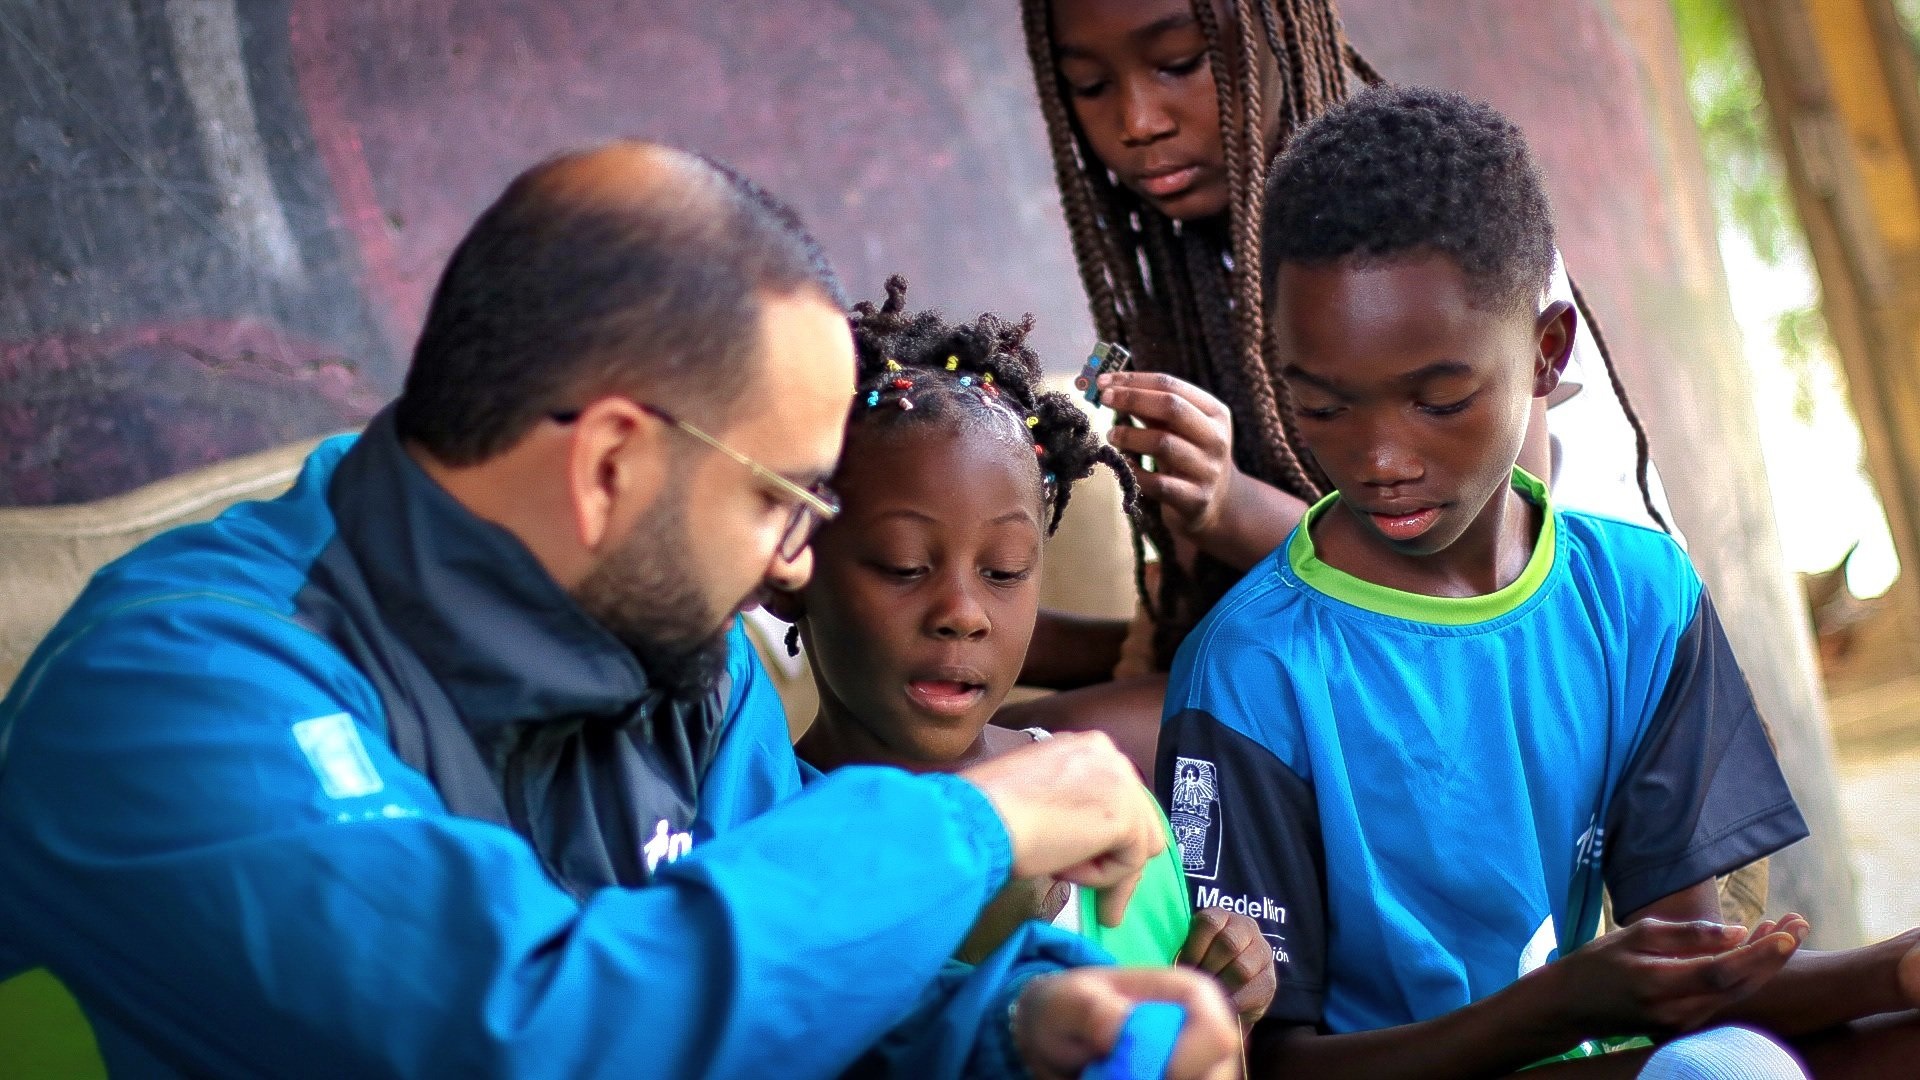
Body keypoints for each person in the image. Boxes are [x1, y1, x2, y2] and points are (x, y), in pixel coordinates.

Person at [0, 143, 1243, 1078]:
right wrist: (963, 828)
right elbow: (531, 1035)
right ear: (608, 469)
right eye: (784, 501)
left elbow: (779, 982)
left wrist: (1015, 1031)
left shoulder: (687, 661)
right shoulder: (174, 693)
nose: (799, 565)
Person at [1157, 84, 1920, 1077]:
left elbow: (1691, 984)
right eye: (1325, 406)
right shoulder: (1252, 671)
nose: (1380, 457)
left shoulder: (1641, 598)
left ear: (1547, 351)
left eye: (1438, 400)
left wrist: (1897, 972)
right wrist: (1563, 1001)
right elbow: (1264, 1065)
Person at [1006, 0, 1680, 779]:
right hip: (1355, 684)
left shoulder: (1441, 232)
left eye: (1181, 62)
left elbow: (1481, 598)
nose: (1137, 119)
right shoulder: (1178, 295)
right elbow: (1194, 636)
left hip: (1553, 708)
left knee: (1044, 766)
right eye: (1088, 84)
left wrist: (1231, 508)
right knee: (1019, 756)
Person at [770, 276, 1277, 1026]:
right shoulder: (764, 846)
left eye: (1005, 571)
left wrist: (1222, 998)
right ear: (791, 568)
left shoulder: (1112, 809)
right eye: (905, 566)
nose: (961, 614)